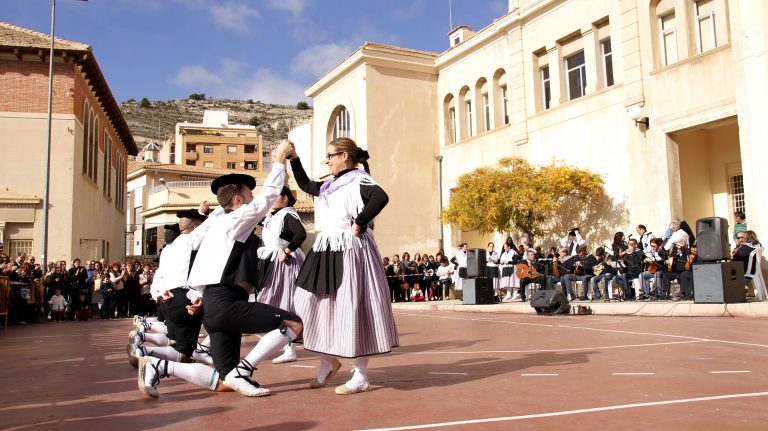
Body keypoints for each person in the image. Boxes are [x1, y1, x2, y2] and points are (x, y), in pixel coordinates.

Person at [139, 140, 303, 398]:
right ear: (238, 200)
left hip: (212, 307)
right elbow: (267, 197)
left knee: (224, 381)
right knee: (293, 323)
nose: (253, 201)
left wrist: (197, 298)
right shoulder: (236, 219)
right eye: (248, 195)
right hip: (227, 304)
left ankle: (159, 365)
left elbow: (205, 268)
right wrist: (280, 159)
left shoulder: (216, 226)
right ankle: (245, 369)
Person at [290, 137, 399, 395]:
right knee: (311, 303)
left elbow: (381, 198)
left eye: (330, 155)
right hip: (326, 249)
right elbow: (305, 184)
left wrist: (360, 222)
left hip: (351, 250)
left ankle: (360, 375)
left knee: (351, 308)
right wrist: (294, 159)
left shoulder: (360, 180)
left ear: (345, 157)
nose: (327, 160)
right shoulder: (330, 185)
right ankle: (329, 360)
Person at [255, 186, 307, 365]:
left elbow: (301, 233)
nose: (271, 200)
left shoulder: (288, 215)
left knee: (284, 302)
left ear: (285, 199)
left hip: (284, 263)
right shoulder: (273, 216)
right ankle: (283, 343)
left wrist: (287, 250)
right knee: (269, 301)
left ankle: (289, 347)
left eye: (275, 196)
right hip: (272, 261)